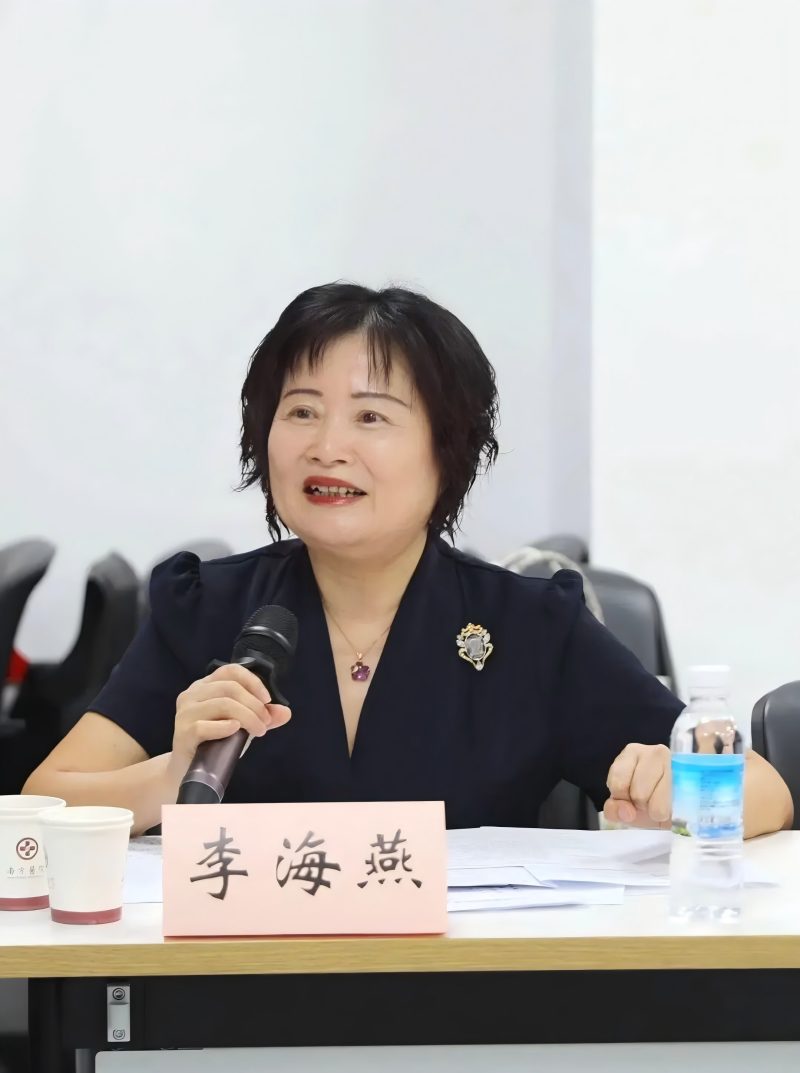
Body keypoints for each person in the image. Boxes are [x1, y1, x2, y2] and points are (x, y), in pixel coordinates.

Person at [24, 284, 794, 838]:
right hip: (244, 995)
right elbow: (43, 801)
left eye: (371, 416)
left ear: (445, 450)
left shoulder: (527, 626)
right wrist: (170, 777)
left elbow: (764, 791)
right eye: (301, 411)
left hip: (463, 997)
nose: (328, 445)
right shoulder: (210, 609)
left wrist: (676, 793)